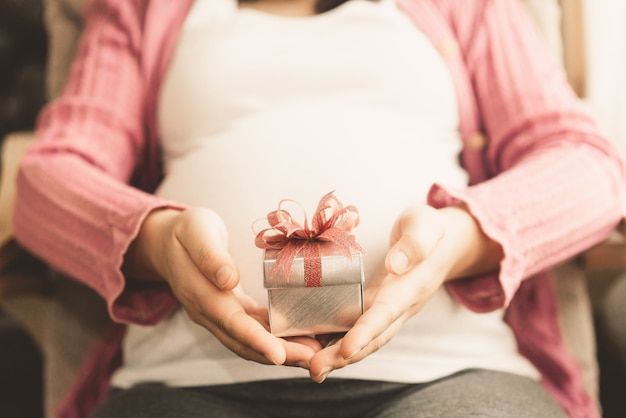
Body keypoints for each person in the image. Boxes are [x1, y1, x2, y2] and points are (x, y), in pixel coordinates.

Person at [12, 0, 625, 417]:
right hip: (187, 382)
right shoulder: (144, 10)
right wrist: (156, 240)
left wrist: (460, 239)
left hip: (450, 372)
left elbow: (590, 165)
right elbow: (47, 182)